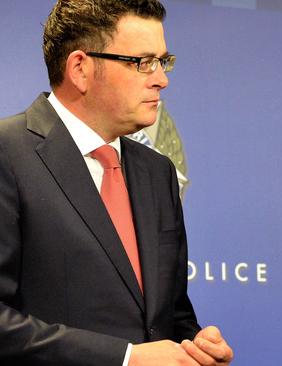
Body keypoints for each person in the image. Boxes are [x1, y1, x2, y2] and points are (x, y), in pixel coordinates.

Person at [0, 1, 233, 365]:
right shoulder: (7, 153)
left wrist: (195, 345)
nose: (162, 78)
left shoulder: (158, 173)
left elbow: (170, 315)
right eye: (142, 62)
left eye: (163, 61)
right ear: (80, 68)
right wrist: (125, 358)